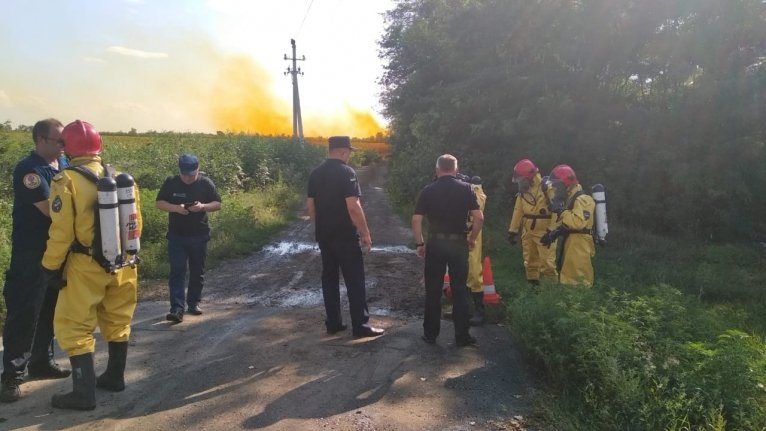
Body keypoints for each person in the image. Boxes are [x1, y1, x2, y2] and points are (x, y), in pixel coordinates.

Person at [42, 119, 143, 410]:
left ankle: (83, 394)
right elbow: (136, 225)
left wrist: (50, 267)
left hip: (85, 264)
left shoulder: (66, 180)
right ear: (99, 147)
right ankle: (114, 376)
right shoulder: (124, 179)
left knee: (74, 325)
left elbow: (61, 232)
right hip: (124, 262)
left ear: (67, 148)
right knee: (118, 319)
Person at [1, 119, 71, 403]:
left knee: (50, 310)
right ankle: (10, 377)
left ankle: (42, 361)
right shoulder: (29, 169)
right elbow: (49, 210)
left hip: (57, 252)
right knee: (24, 312)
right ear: (40, 140)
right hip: (32, 254)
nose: (62, 146)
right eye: (58, 141)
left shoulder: (63, 165)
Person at [306, 136, 384, 338]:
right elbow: (353, 207)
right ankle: (360, 325)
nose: (350, 155)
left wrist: (323, 226)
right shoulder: (346, 172)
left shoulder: (315, 174)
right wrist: (365, 233)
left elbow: (311, 208)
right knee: (354, 280)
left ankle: (333, 323)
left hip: (324, 236)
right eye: (349, 151)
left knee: (329, 279)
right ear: (341, 151)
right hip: (345, 237)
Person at [412, 154, 483, 347]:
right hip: (458, 244)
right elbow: (479, 218)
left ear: (437, 170)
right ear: (456, 170)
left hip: (435, 244)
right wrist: (472, 239)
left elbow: (416, 220)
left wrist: (420, 243)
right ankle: (462, 336)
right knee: (460, 290)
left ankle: (430, 335)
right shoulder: (466, 188)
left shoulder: (428, 190)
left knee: (433, 290)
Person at [156, 154, 222, 323]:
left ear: (198, 170)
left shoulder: (205, 183)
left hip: (199, 235)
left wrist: (202, 207)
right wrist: (176, 208)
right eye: (184, 174)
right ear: (179, 170)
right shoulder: (171, 182)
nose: (187, 178)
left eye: (191, 175)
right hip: (177, 236)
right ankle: (177, 309)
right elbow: (160, 203)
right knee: (177, 272)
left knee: (197, 271)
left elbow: (217, 203)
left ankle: (193, 303)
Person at [540, 164, 596, 286]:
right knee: (568, 273)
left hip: (580, 243)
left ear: (565, 184)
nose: (554, 188)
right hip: (572, 241)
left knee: (578, 276)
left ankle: (580, 302)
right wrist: (555, 233)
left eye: (556, 185)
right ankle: (569, 301)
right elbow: (568, 223)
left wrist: (561, 211)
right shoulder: (570, 198)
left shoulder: (583, 199)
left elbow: (578, 223)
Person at [507, 159, 557, 285]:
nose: (518, 182)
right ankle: (533, 288)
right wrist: (512, 231)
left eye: (520, 179)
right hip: (528, 230)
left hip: (544, 231)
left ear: (527, 177)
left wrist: (552, 231)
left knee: (547, 263)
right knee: (529, 260)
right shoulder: (523, 191)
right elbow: (518, 210)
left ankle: (552, 292)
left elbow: (557, 212)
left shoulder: (547, 188)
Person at [466, 176, 487, 326]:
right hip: (459, 234)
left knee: (473, 272)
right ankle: (462, 308)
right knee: (459, 272)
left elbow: (478, 216)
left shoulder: (477, 194)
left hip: (472, 236)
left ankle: (480, 311)